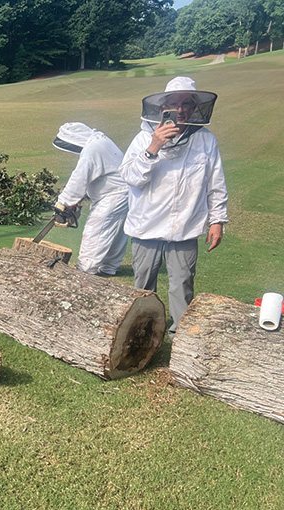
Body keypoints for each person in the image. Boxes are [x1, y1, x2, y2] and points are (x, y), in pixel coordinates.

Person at [120, 76, 228, 337]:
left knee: (182, 285)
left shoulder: (205, 140)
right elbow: (131, 178)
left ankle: (181, 342)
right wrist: (154, 147)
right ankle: (140, 336)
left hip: (186, 226)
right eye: (174, 103)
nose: (180, 109)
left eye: (186, 103)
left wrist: (217, 220)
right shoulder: (143, 138)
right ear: (163, 107)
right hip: (146, 225)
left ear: (194, 107)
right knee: (143, 287)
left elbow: (216, 181)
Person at [52, 122, 129, 276]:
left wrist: (64, 202)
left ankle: (85, 270)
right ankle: (109, 267)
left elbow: (79, 178)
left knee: (97, 229)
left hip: (113, 195)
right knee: (116, 231)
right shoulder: (101, 141)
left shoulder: (93, 148)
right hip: (124, 192)